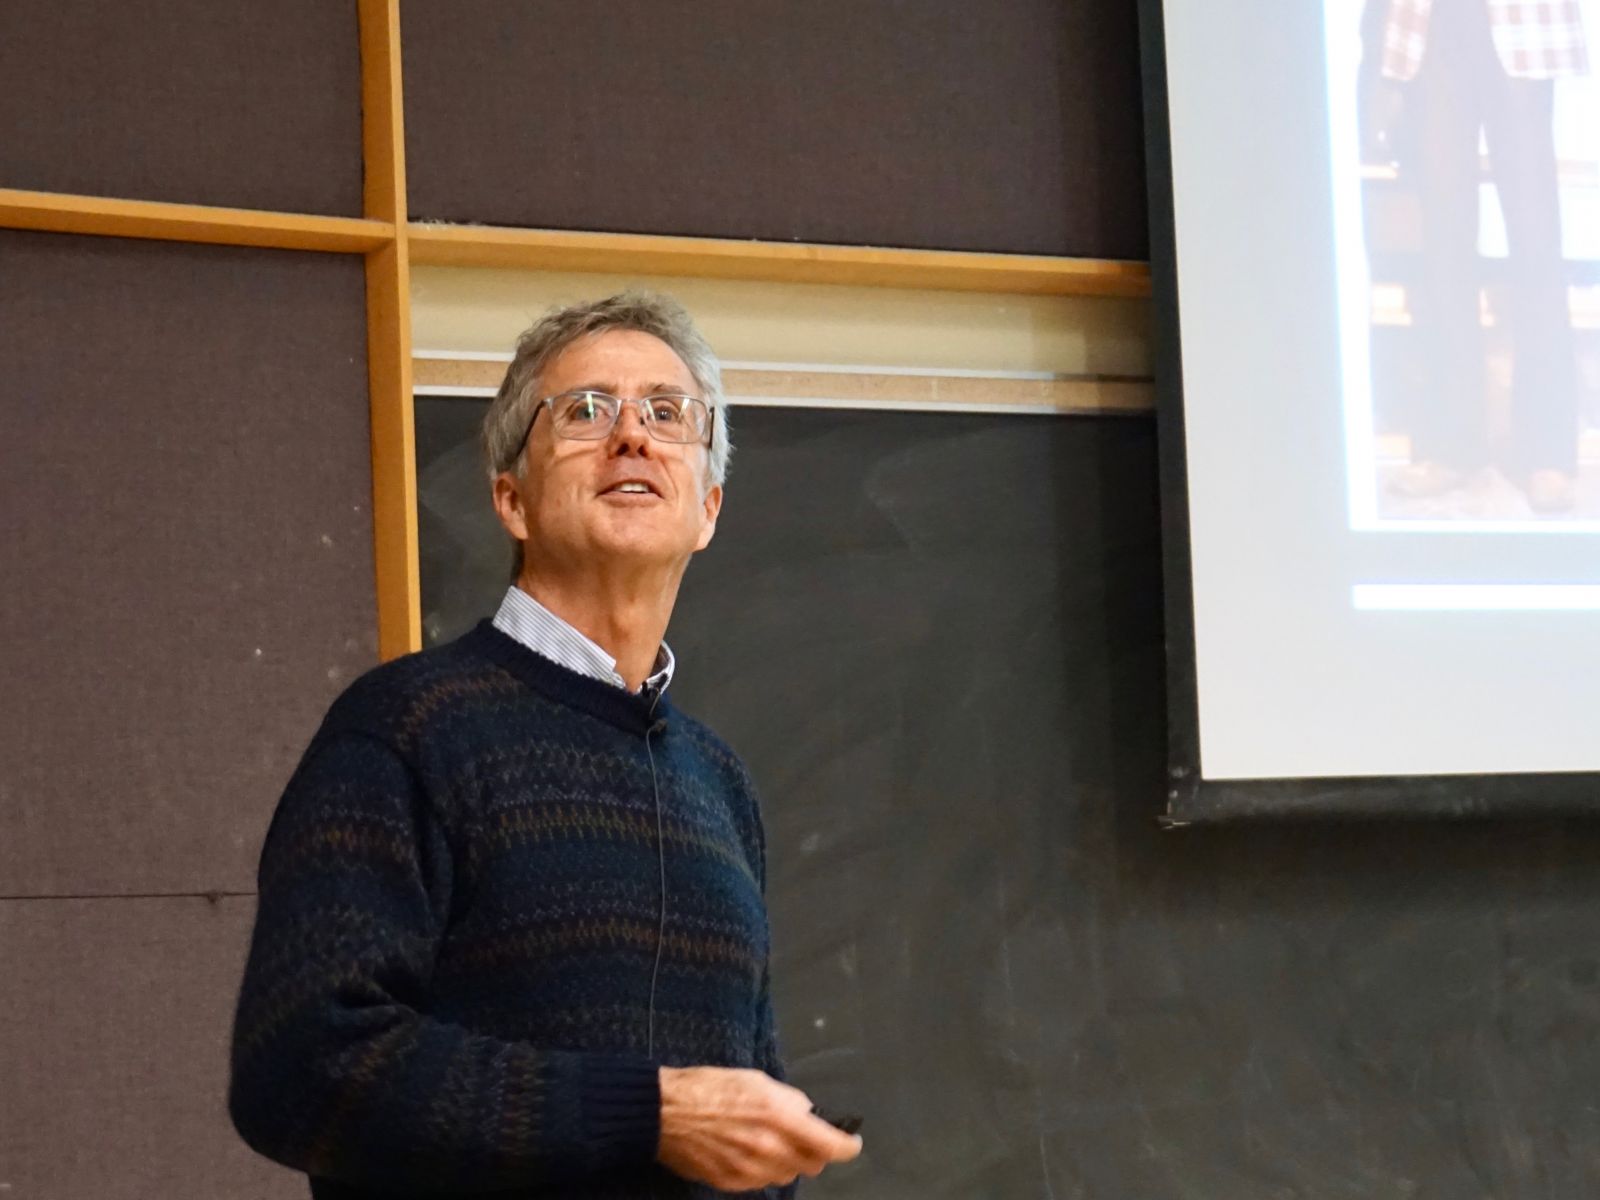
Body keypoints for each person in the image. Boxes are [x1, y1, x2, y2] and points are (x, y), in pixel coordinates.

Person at [227, 292, 862, 1198]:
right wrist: (647, 1113)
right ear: (511, 499)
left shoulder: (721, 784)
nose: (633, 436)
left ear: (710, 507)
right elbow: (298, 1064)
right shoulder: (405, 729)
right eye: (587, 411)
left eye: (668, 413)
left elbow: (750, 1114)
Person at [1370, 0, 1587, 513]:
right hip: (1434, 25)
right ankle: (1452, 444)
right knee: (1445, 240)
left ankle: (1547, 452)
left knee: (1535, 236)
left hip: (1521, 23)